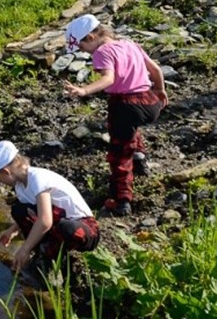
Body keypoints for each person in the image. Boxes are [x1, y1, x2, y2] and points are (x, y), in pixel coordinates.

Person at [62, 14, 167, 216]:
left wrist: (84, 90)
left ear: (91, 37)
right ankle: (140, 158)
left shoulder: (101, 52)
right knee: (131, 129)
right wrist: (160, 91)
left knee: (119, 154)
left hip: (125, 104)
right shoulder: (130, 44)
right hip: (149, 103)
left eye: (81, 47)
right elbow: (155, 69)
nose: (82, 51)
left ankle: (122, 199)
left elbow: (109, 79)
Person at [0, 140, 100, 271]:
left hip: (84, 229)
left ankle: (51, 256)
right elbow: (34, 213)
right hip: (57, 224)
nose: (0, 181)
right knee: (19, 210)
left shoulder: (37, 178)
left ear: (6, 172)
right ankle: (43, 250)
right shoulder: (20, 187)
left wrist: (24, 249)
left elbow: (45, 221)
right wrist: (11, 231)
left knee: (67, 228)